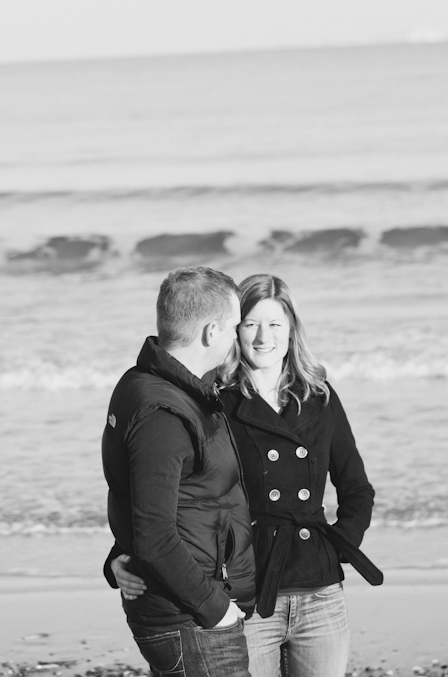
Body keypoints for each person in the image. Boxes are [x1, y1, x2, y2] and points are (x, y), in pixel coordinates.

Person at [113, 273, 383, 677]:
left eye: (275, 324)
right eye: (250, 324)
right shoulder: (214, 399)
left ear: (292, 330)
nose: (262, 337)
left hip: (320, 591)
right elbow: (174, 494)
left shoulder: (320, 396)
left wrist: (338, 547)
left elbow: (357, 487)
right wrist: (120, 555)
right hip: (250, 593)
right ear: (232, 330)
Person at [101, 266, 255, 677]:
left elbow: (138, 495)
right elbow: (154, 534)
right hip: (187, 618)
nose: (238, 337)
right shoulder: (164, 411)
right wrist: (216, 610)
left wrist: (117, 556)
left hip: (183, 611)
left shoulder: (151, 384)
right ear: (210, 332)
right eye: (235, 326)